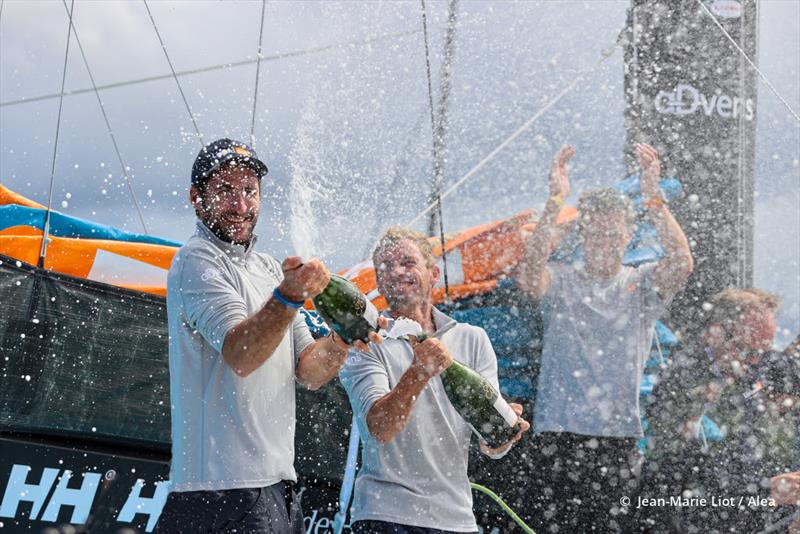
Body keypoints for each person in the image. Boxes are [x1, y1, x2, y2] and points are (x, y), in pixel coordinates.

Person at [155, 138, 382, 533]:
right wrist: (291, 295)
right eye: (225, 190)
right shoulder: (196, 260)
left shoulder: (268, 269)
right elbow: (241, 354)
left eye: (249, 191)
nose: (240, 205)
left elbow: (309, 371)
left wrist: (343, 338)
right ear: (196, 196)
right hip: (219, 491)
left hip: (274, 486)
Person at [515, 143, 693, 532]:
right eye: (595, 232)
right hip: (557, 436)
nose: (604, 240)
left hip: (618, 439)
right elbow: (529, 275)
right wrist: (554, 200)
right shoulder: (561, 280)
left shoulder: (641, 284)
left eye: (613, 233)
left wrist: (653, 199)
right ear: (583, 232)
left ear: (629, 236)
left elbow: (682, 262)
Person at [338, 227, 530, 534]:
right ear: (378, 281)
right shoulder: (364, 344)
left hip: (456, 519)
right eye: (385, 267)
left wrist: (504, 431)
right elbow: (380, 429)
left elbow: (493, 445)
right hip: (385, 516)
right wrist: (419, 372)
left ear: (434, 273)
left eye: (407, 262)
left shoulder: (473, 339)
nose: (396, 272)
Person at [642, 288, 799, 532]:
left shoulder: (748, 361)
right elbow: (705, 490)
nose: (757, 362)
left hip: (753, 507)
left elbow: (785, 368)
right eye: (750, 351)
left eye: (765, 351)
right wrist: (767, 490)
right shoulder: (684, 385)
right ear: (715, 334)